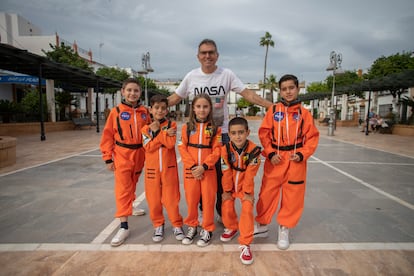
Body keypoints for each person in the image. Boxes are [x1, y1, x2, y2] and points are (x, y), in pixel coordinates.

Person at [168, 38, 272, 223]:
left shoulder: (227, 74)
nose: (207, 56)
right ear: (198, 56)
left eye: (211, 52)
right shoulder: (191, 76)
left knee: (222, 177)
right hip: (198, 136)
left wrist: (270, 106)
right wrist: (150, 109)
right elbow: (175, 98)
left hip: (222, 135)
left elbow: (247, 94)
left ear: (217, 55)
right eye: (203, 53)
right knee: (199, 175)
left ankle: (221, 213)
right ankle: (201, 212)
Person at [254, 74, 319, 250]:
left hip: (295, 160)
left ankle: (284, 228)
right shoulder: (274, 111)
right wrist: (269, 153)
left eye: (291, 88)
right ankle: (262, 225)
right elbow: (264, 133)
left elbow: (312, 137)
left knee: (292, 196)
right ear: (280, 92)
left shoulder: (304, 114)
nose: (288, 91)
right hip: (275, 159)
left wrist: (302, 154)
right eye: (284, 89)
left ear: (297, 89)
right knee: (266, 193)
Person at [100, 78, 151, 247]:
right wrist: (108, 157)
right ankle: (123, 226)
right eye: (129, 90)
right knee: (122, 188)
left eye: (136, 90)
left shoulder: (145, 112)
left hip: (140, 154)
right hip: (122, 154)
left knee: (133, 182)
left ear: (139, 93)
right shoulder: (115, 112)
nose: (132, 93)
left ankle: (131, 205)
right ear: (123, 91)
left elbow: (150, 131)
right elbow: (107, 136)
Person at [178, 93, 222, 247]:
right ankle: (192, 226)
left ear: (210, 108)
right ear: (193, 109)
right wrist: (192, 167)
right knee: (191, 200)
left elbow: (217, 151)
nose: (202, 110)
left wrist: (204, 166)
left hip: (207, 171)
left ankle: (207, 229)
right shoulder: (186, 128)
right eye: (198, 106)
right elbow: (182, 148)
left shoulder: (215, 129)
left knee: (209, 201)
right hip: (191, 172)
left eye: (205, 106)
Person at [141, 95, 184, 242]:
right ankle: (158, 224)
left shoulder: (171, 125)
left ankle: (177, 225)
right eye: (157, 108)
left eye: (163, 108)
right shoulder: (145, 128)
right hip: (152, 171)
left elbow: (171, 144)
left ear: (167, 110)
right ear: (150, 110)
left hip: (169, 169)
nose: (160, 111)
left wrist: (158, 133)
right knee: (153, 200)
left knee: (171, 199)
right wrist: (162, 136)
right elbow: (148, 147)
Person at [219, 117, 261, 265]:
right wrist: (227, 190)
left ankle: (245, 243)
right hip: (231, 184)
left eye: (241, 132)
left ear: (247, 132)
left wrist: (248, 193)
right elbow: (225, 170)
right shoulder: (224, 149)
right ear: (229, 134)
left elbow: (251, 174)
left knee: (247, 210)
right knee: (226, 205)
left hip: (245, 186)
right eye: (234, 133)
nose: (238, 136)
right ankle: (231, 227)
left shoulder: (254, 151)